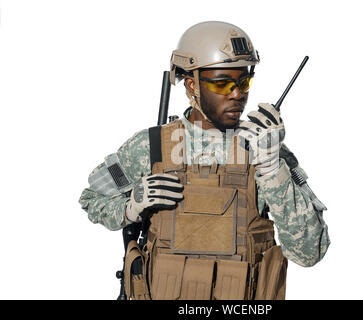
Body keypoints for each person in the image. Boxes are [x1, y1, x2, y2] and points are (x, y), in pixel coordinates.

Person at [79, 21, 330, 300]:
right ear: (192, 85)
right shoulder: (149, 146)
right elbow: (91, 198)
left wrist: (272, 167)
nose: (238, 94)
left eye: (244, 81)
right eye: (223, 84)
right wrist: (131, 207)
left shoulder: (264, 149)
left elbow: (310, 253)